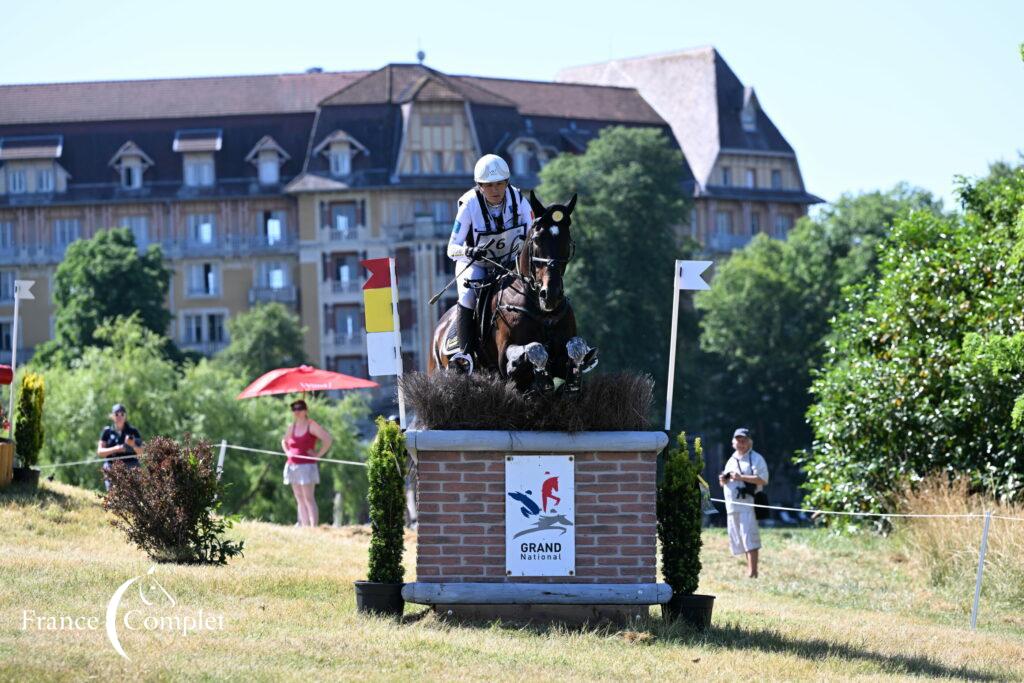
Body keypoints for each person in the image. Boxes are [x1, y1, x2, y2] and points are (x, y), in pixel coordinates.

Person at [446, 153, 533, 372]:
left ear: (507, 182)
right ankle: (464, 355)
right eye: (489, 185)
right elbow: (451, 248)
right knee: (467, 296)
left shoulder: (519, 199)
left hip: (509, 265)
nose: (495, 190)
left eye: (500, 184)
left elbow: (534, 232)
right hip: (476, 265)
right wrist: (469, 250)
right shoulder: (468, 204)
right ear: (480, 186)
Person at [718, 427, 769, 578]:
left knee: (749, 536)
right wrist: (723, 479)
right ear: (733, 442)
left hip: (748, 504)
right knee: (739, 538)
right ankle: (749, 571)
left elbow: (763, 479)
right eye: (738, 440)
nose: (741, 443)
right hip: (732, 505)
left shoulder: (757, 458)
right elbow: (726, 481)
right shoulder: (731, 460)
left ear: (750, 442)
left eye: (744, 440)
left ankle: (753, 572)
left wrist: (741, 477)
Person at [281, 399, 332, 528]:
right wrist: (287, 452)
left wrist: (318, 455)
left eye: (300, 408)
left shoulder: (311, 425)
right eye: (294, 409)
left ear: (306, 410)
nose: (297, 411)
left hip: (307, 466)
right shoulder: (291, 427)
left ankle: (313, 527)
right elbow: (284, 441)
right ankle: (304, 526)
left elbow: (327, 439)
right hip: (292, 465)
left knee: (308, 498)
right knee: (299, 498)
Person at [96, 403, 143, 491]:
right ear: (112, 416)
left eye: (122, 414)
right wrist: (116, 449)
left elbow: (141, 452)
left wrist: (133, 445)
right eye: (116, 414)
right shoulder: (107, 432)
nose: (119, 416)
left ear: (125, 416)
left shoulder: (133, 431)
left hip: (131, 466)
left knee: (134, 495)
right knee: (114, 497)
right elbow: (100, 452)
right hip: (111, 467)